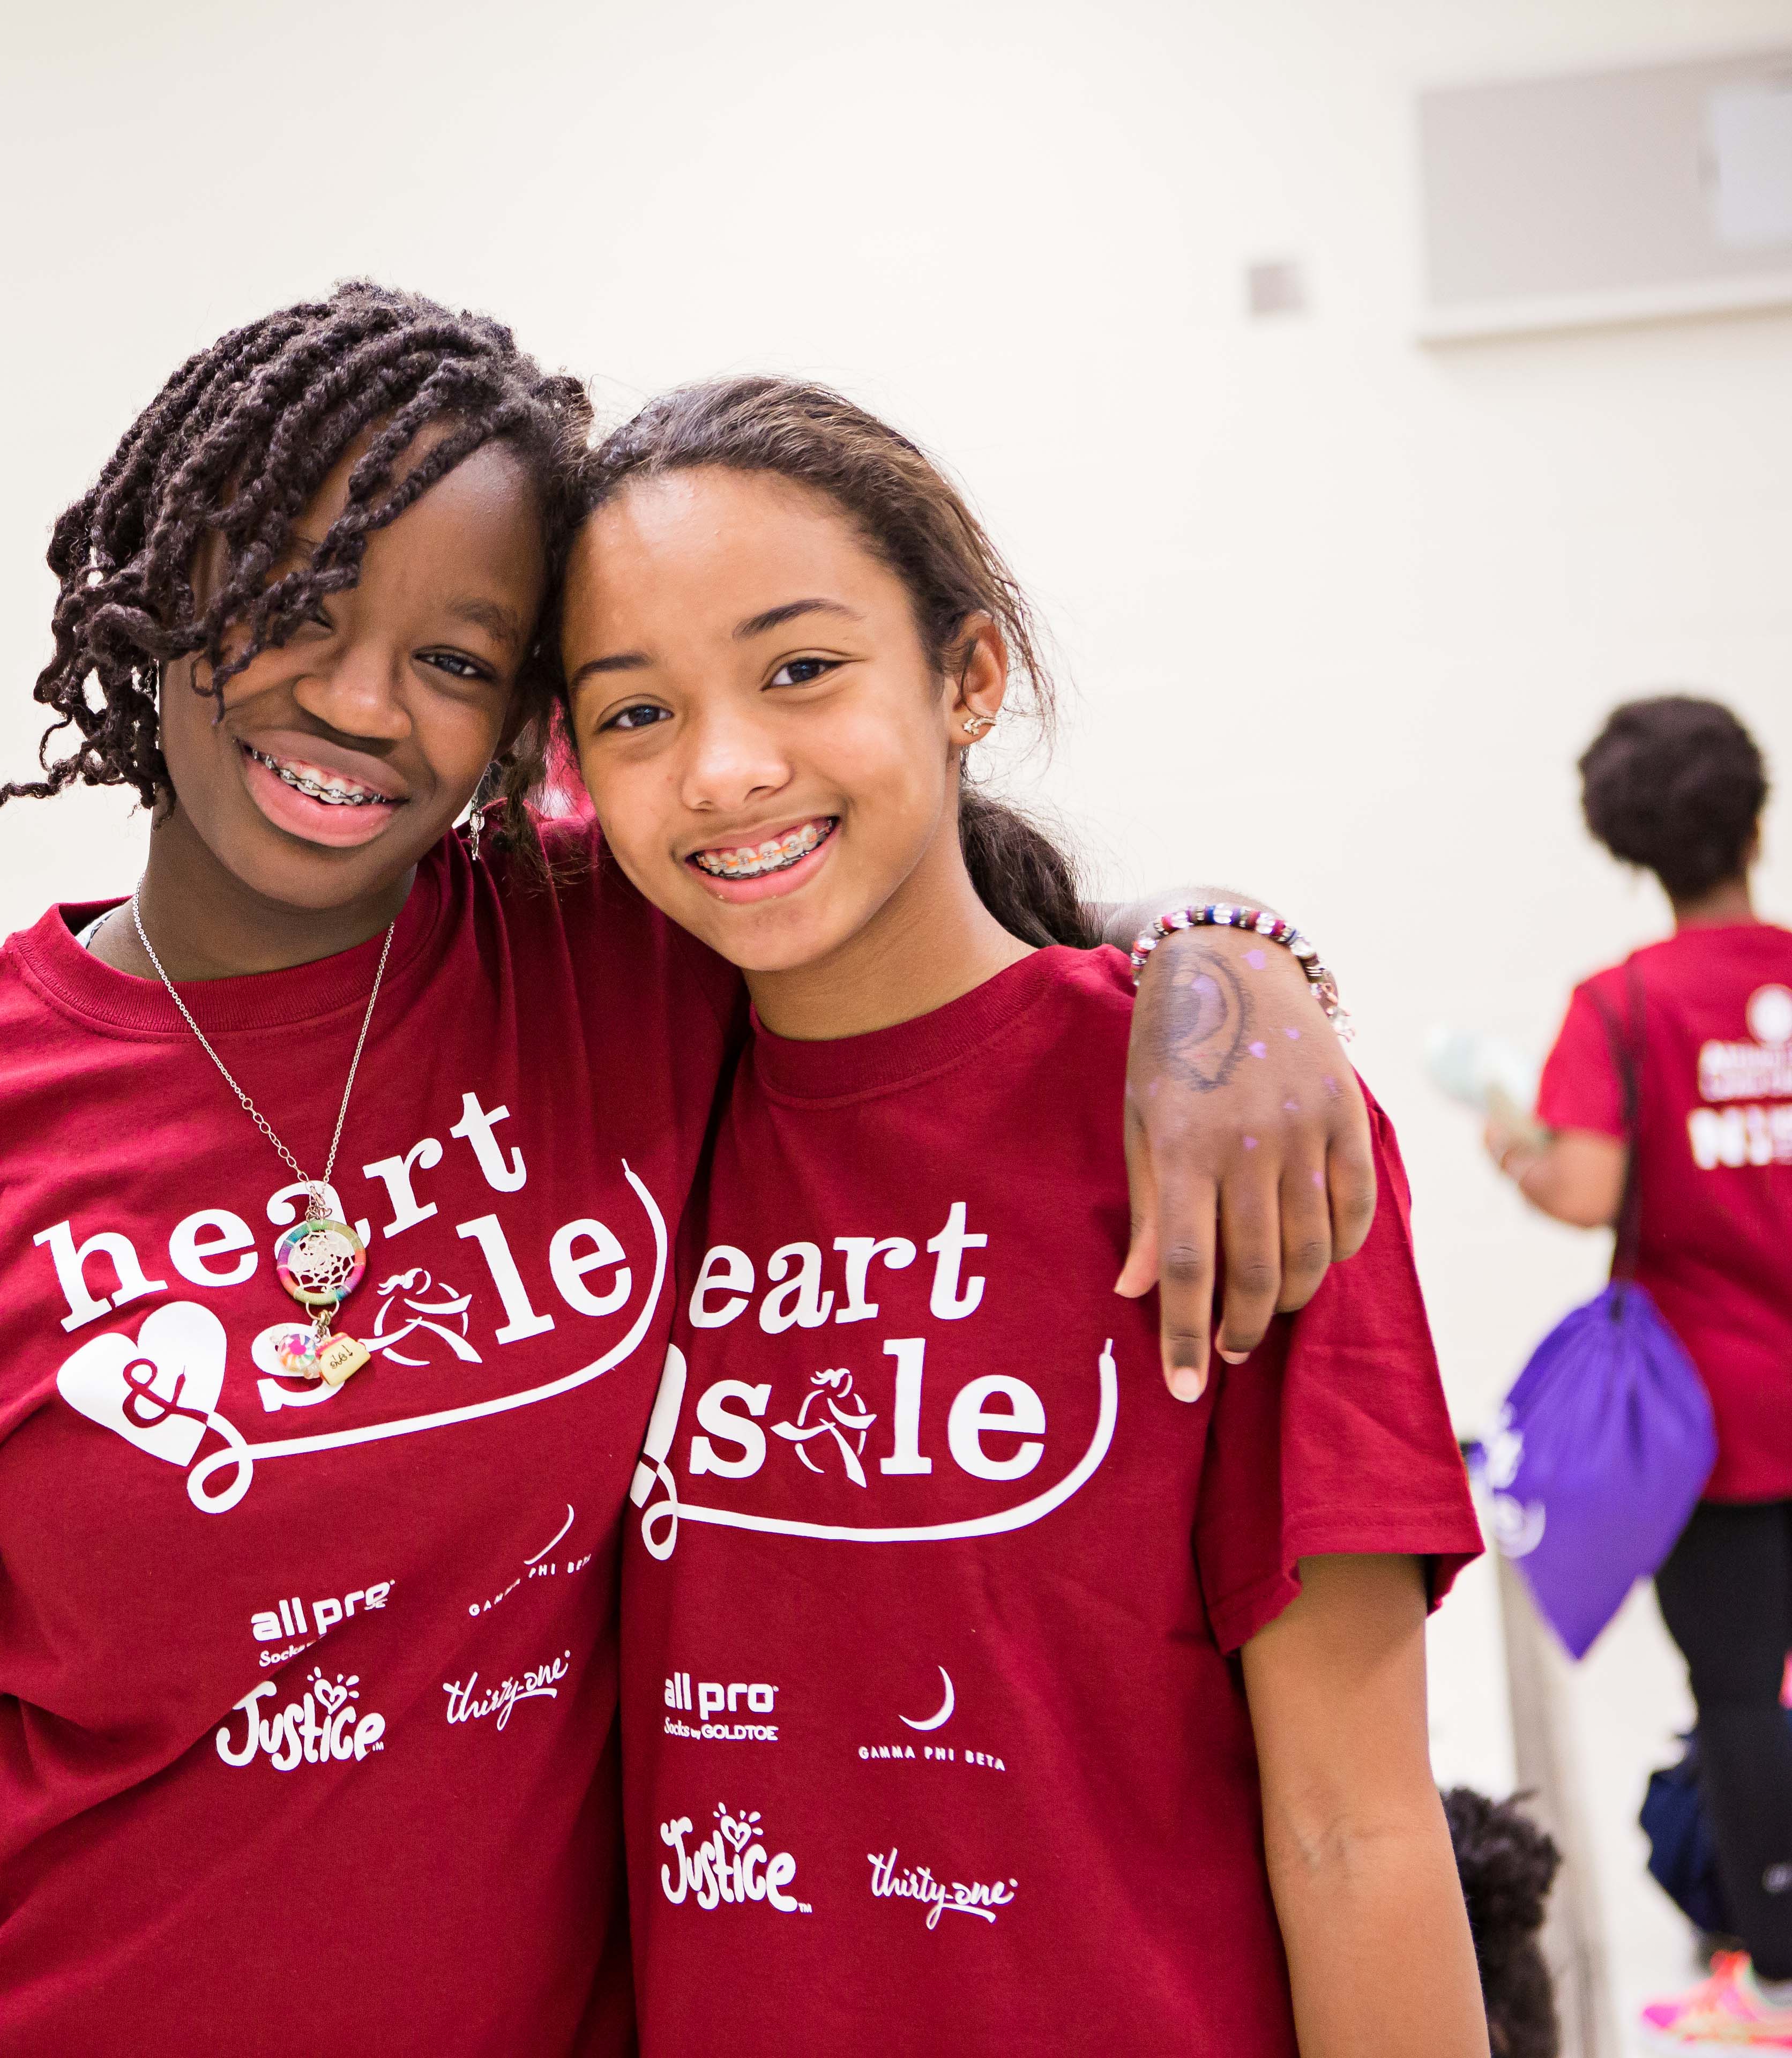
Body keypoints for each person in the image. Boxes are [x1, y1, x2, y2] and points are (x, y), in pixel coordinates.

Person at [0, 286, 1368, 2058]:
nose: (359, 703)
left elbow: (883, 870)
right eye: (294, 602)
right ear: (162, 583)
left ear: (527, 729)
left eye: (456, 660)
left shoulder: (605, 960)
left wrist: (1224, 958)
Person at [562, 376, 1485, 2055]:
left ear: (969, 675)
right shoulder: (606, 1123)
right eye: (636, 713)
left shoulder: (1220, 1123)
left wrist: (1221, 964)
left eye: (799, 669)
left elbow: (1354, 1829)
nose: (726, 768)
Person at [1490, 696, 1792, 2047]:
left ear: (1626, 846)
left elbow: (1585, 1186)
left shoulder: (1616, 1007)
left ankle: (1771, 1978)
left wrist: (1514, 1143)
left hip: (1711, 1427)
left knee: (1734, 1695)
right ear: (1752, 817)